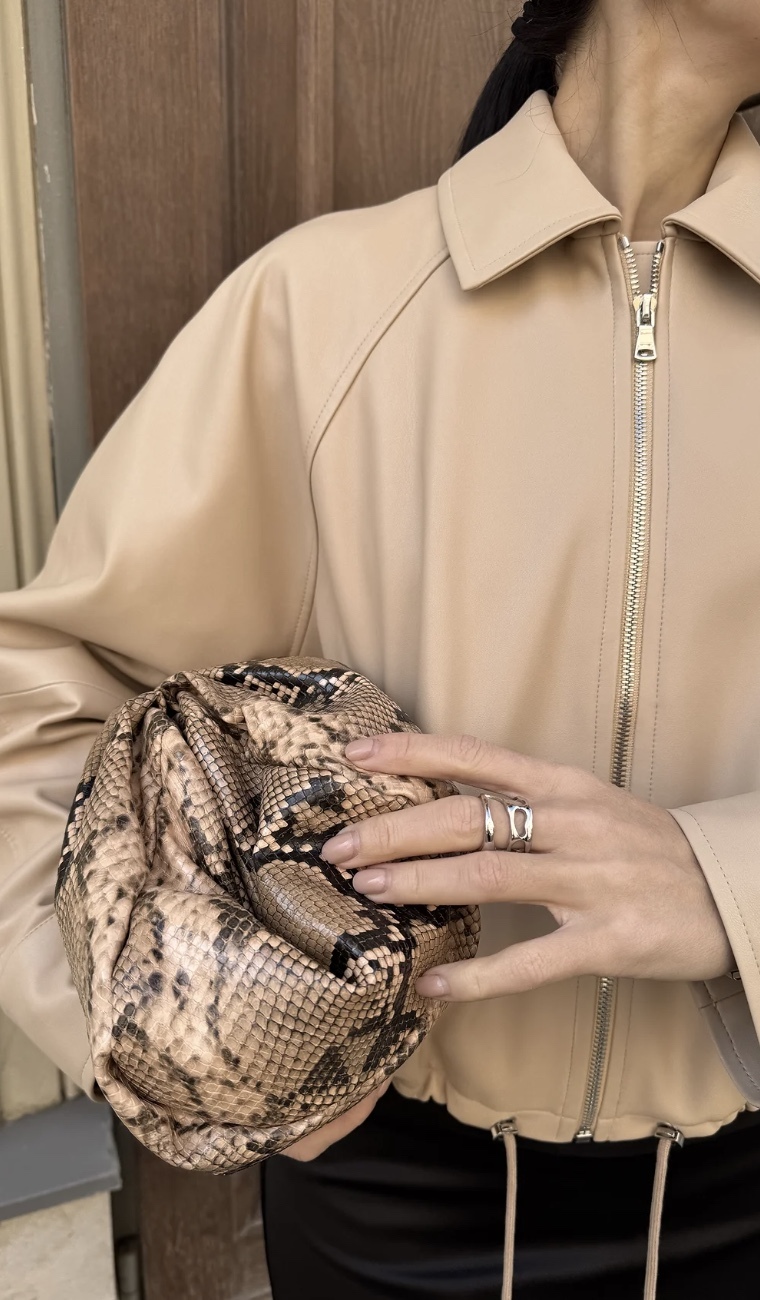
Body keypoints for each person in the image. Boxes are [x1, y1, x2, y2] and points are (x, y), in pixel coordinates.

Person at [2, 0, 760, 1294]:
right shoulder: (322, 310)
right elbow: (41, 720)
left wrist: (729, 882)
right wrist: (197, 1052)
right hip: (390, 1203)